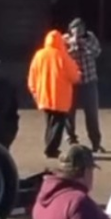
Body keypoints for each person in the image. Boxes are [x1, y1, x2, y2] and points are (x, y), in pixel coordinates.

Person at [27, 27, 81, 159]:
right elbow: (74, 77)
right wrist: (78, 74)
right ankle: (51, 149)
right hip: (60, 98)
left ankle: (49, 146)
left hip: (43, 96)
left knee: (49, 123)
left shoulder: (39, 55)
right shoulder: (63, 56)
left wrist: (34, 91)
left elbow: (32, 77)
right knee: (58, 124)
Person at [66, 19, 106, 153]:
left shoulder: (90, 37)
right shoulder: (65, 40)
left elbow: (96, 52)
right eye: (75, 28)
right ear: (70, 29)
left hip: (89, 82)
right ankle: (71, 139)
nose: (78, 30)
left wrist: (81, 42)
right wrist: (74, 41)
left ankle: (96, 142)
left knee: (92, 114)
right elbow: (68, 55)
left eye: (81, 27)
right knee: (69, 114)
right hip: (72, 83)